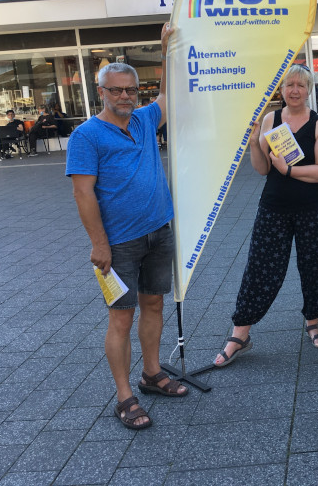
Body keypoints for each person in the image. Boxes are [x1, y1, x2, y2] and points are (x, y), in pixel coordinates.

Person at [66, 23, 187, 431]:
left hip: (158, 231)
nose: (123, 96)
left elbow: (167, 98)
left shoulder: (142, 120)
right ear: (101, 91)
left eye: (130, 90)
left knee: (154, 304)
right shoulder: (86, 135)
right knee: (121, 317)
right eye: (115, 90)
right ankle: (124, 396)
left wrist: (164, 50)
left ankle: (151, 373)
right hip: (118, 243)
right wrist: (98, 244)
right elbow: (83, 194)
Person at [213, 64, 318, 367]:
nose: (294, 90)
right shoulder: (272, 119)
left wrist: (289, 170)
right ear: (282, 89)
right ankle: (240, 334)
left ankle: (313, 320)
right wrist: (255, 142)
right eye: (289, 84)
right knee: (260, 269)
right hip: (275, 207)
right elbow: (261, 168)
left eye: (301, 84)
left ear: (309, 90)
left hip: (317, 209)